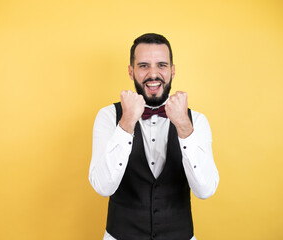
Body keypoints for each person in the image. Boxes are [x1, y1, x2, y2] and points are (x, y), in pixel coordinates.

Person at [89, 33, 219, 240]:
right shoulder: (107, 117)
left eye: (161, 65)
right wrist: (126, 123)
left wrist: (184, 127)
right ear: (131, 72)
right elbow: (103, 187)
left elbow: (205, 190)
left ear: (172, 70)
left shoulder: (197, 121)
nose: (153, 74)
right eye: (143, 66)